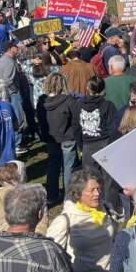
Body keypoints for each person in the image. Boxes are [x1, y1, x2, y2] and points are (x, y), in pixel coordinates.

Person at [0, 162, 48, 239]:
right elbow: (41, 227)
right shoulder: (35, 197)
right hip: (30, 243)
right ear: (21, 175)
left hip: (0, 246)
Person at [40, 73, 78, 205]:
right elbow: (75, 120)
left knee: (53, 166)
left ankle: (52, 194)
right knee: (68, 167)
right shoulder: (69, 101)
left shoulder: (41, 101)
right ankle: (68, 197)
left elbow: (40, 120)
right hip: (67, 137)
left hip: (52, 138)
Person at [74, 76, 116, 167]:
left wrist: (81, 146)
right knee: (104, 177)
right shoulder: (108, 105)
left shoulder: (78, 104)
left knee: (91, 177)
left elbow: (76, 128)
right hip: (102, 144)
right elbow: (113, 128)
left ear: (87, 88)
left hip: (92, 145)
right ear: (104, 89)